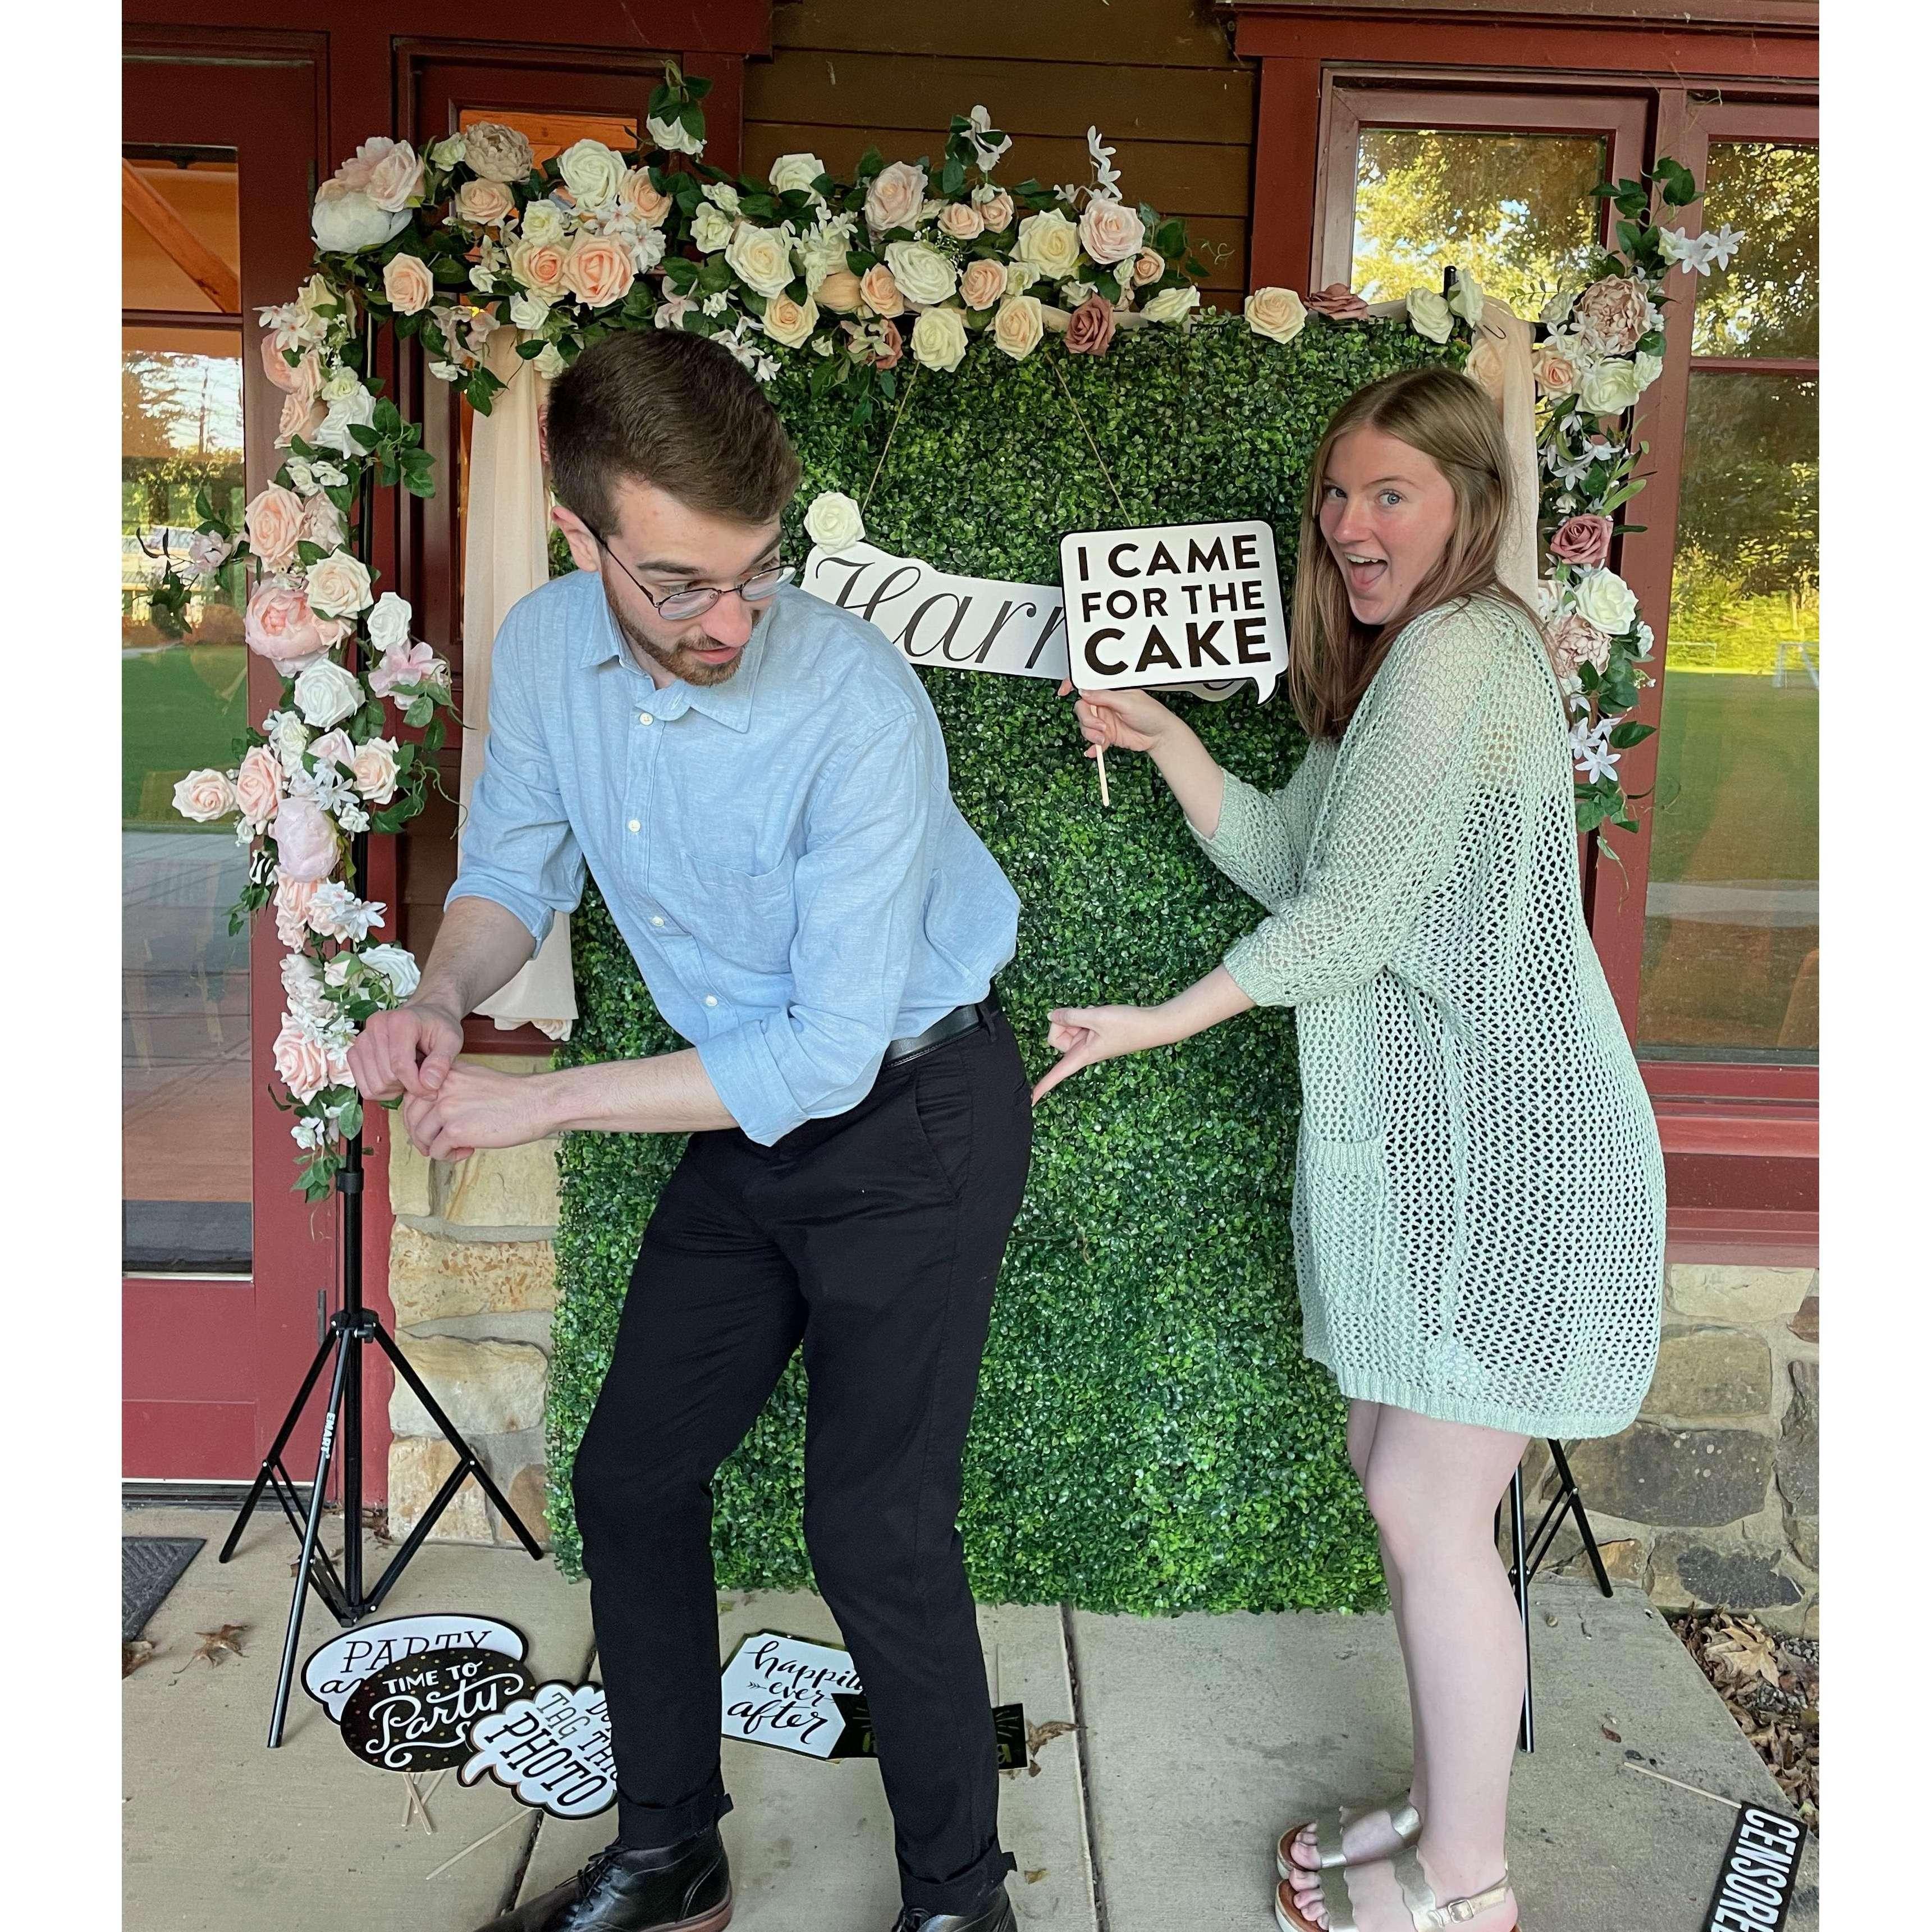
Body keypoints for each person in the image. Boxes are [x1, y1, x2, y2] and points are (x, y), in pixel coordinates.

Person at [349, 329, 1032, 1932]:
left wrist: (550, 1100)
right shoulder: (538, 649)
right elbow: (514, 876)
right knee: (632, 1473)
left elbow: (824, 1050)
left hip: (913, 1111)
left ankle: (958, 1902)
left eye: (755, 577)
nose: (730, 622)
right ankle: (671, 1854)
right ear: (580, 537)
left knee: (871, 1523)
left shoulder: (856, 700)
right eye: (677, 586)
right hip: (743, 1102)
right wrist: (447, 993)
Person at [1033, 365, 1664, 1932]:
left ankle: (1468, 1881)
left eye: (1389, 492)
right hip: (1443, 1149)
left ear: (1467, 505)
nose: (1349, 524)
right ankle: (1447, 1811)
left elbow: (1355, 918)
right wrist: (1169, 738)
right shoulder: (1397, 675)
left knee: (1424, 1508)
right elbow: (1293, 857)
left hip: (1513, 1151)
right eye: (1337, 495)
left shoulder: (1458, 656)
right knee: (1399, 1478)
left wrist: (1154, 1022)